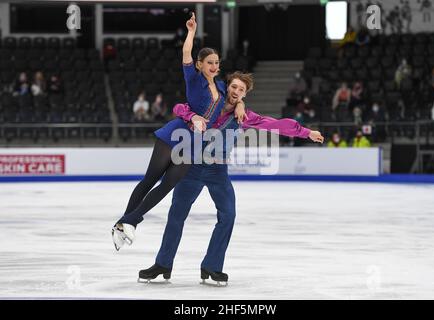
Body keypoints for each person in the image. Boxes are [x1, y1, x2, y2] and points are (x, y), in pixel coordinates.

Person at [134, 72, 324, 285]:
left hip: (218, 172)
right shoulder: (208, 103)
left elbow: (276, 124)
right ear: (228, 87)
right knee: (176, 215)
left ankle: (212, 266)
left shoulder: (243, 116)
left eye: (241, 90)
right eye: (234, 87)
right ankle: (163, 264)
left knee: (228, 215)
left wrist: (306, 132)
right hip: (192, 168)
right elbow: (180, 108)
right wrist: (193, 117)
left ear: (245, 94)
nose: (236, 92)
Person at [112, 12, 246, 247]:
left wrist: (242, 103)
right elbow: (186, 54)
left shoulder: (223, 87)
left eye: (216, 62)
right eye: (209, 62)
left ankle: (129, 221)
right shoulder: (194, 79)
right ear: (199, 64)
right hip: (175, 135)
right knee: (150, 179)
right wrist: (191, 33)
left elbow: (236, 98)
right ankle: (125, 222)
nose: (214, 66)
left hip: (193, 145)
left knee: (167, 186)